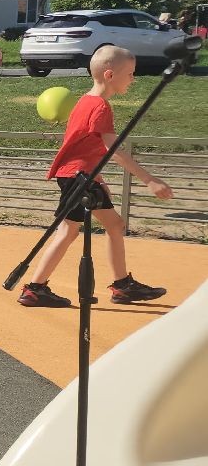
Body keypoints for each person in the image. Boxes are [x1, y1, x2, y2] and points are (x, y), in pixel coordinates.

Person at [17, 46, 173, 308]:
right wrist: (150, 180)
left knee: (111, 225)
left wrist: (97, 178)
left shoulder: (86, 101)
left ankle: (121, 285)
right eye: (130, 74)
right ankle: (36, 289)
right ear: (110, 75)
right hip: (77, 177)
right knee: (70, 231)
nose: (133, 79)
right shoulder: (99, 107)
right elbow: (114, 151)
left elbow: (84, 147)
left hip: (80, 176)